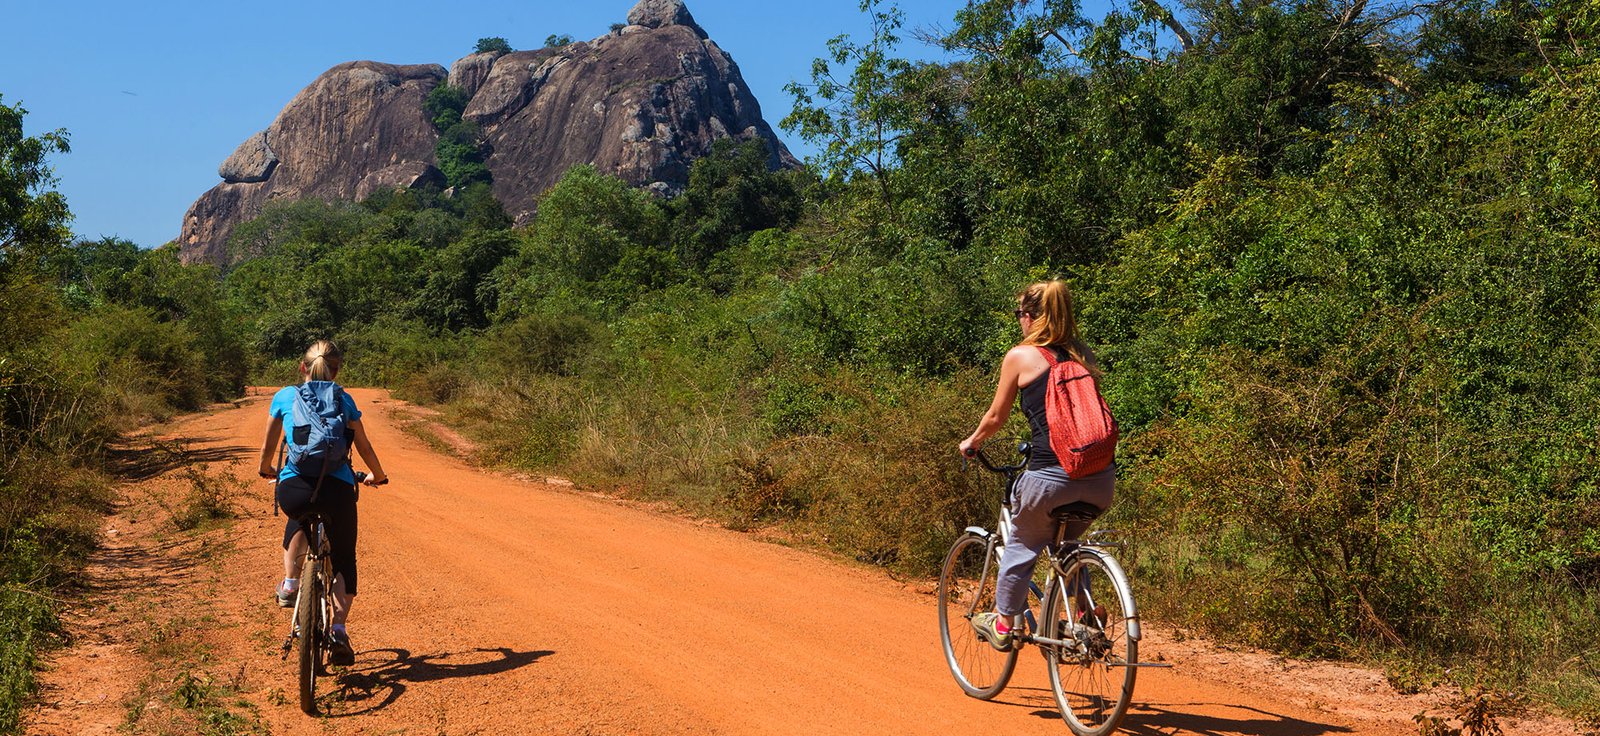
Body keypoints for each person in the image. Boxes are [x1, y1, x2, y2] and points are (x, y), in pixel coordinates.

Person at [958, 280, 1115, 650]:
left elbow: (996, 417)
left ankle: (1004, 624)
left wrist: (972, 442)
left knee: (1021, 545)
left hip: (1049, 478)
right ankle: (1083, 615)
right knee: (1068, 544)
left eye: (1019, 314)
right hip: (1099, 479)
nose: (1019, 322)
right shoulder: (1082, 354)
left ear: (1031, 317)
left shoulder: (1020, 356)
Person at [257, 340, 388, 665]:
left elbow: (269, 445)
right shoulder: (344, 399)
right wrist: (378, 476)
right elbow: (365, 447)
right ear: (337, 370)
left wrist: (266, 470)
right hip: (338, 490)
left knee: (299, 515)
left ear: (303, 367)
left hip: (295, 487)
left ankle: (289, 584)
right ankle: (339, 630)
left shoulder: (285, 396)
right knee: (344, 557)